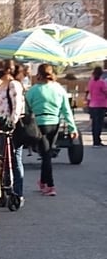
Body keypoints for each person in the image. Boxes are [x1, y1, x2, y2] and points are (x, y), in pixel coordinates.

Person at [26, 63, 78, 197]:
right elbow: (66, 110)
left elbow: (27, 111)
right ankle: (43, 182)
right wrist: (72, 128)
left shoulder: (32, 91)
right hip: (54, 123)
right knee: (47, 154)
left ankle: (50, 185)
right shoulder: (59, 89)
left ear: (38, 75)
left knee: (46, 154)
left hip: (38, 124)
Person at [0, 60, 26, 205]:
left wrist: (12, 124)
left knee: (14, 159)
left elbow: (17, 106)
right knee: (2, 160)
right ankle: (4, 192)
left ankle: (17, 193)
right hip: (1, 127)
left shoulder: (14, 85)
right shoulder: (2, 86)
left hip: (12, 128)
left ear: (7, 70)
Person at [85, 66, 107, 147]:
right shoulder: (102, 82)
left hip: (92, 104)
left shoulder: (91, 82)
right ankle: (97, 140)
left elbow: (89, 91)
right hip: (101, 104)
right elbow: (105, 92)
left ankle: (95, 140)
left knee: (94, 123)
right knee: (99, 123)